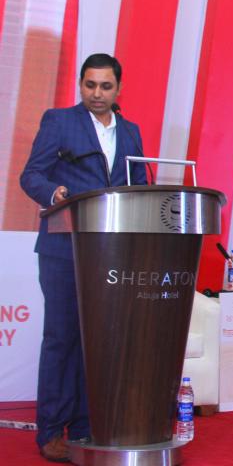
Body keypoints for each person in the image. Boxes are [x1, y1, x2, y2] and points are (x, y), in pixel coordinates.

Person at [20, 53, 147, 463]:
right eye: (90, 85)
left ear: (118, 89)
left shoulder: (131, 132)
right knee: (62, 338)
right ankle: (51, 431)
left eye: (105, 86)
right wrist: (53, 193)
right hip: (63, 249)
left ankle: (86, 427)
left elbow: (139, 187)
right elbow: (31, 175)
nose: (97, 93)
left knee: (99, 342)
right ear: (80, 85)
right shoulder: (59, 121)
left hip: (111, 254)